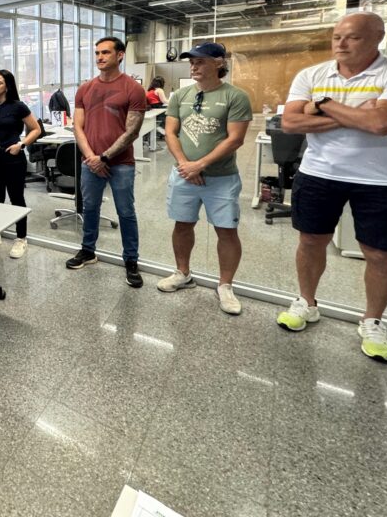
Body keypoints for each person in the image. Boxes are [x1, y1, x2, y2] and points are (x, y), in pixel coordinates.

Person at [277, 12, 387, 362]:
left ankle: (372, 321)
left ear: (378, 37)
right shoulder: (312, 74)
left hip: (379, 179)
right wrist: (356, 113)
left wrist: (322, 105)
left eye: (352, 37)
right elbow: (290, 122)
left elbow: (382, 123)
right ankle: (307, 303)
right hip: (318, 173)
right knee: (311, 241)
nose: (341, 43)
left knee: (380, 254)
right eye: (336, 36)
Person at [157, 42, 252, 315]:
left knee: (226, 230)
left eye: (200, 61)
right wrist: (186, 165)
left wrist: (201, 165)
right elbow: (171, 132)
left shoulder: (235, 96)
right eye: (192, 62)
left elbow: (236, 139)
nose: (194, 66)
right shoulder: (180, 96)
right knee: (182, 225)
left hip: (221, 177)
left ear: (218, 63)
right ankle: (182, 273)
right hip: (184, 174)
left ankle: (225, 285)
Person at [65, 37, 148, 287]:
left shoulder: (133, 89)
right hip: (90, 161)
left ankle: (131, 260)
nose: (100, 57)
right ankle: (88, 251)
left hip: (121, 163)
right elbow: (77, 126)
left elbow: (132, 132)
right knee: (89, 208)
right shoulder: (85, 89)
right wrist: (92, 157)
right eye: (97, 52)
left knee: (125, 212)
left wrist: (104, 157)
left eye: (106, 53)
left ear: (120, 55)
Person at [0, 69, 40, 259]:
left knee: (16, 199)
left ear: (7, 86)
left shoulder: (18, 107)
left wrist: (21, 145)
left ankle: (21, 238)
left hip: (13, 159)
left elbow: (36, 129)